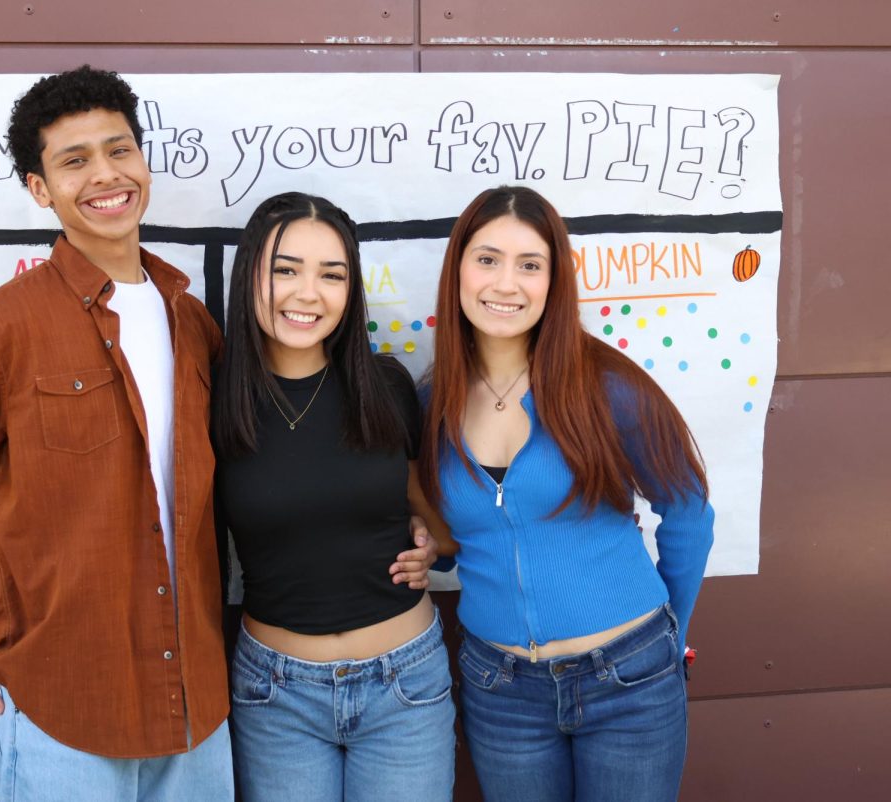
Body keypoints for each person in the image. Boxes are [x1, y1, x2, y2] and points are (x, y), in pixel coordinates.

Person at [0, 66, 235, 800]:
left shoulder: (191, 322)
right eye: (74, 161)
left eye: (119, 149)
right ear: (40, 190)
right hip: (58, 704)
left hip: (195, 702)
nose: (106, 174)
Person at [418, 186, 715, 802]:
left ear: (554, 281)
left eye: (530, 265)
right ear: (458, 270)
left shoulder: (607, 385)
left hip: (630, 680)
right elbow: (454, 543)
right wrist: (428, 549)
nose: (506, 283)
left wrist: (668, 638)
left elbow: (688, 513)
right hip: (501, 693)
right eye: (487, 259)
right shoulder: (429, 403)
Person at [213, 192, 456, 802]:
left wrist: (431, 546)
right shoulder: (211, 404)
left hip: (404, 683)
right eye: (285, 270)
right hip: (276, 695)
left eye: (332, 274)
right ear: (250, 276)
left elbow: (440, 530)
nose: (308, 293)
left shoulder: (386, 386)